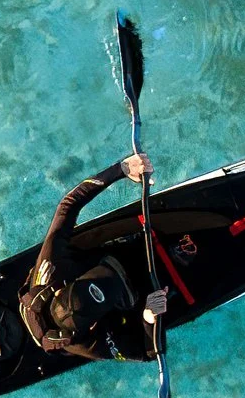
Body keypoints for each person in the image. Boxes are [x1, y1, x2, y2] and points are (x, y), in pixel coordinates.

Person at [19, 153, 169, 362]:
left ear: (62, 288)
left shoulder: (51, 269)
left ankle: (110, 264)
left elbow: (67, 205)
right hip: (135, 298)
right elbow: (147, 353)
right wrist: (149, 318)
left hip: (79, 266)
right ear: (92, 325)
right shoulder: (85, 343)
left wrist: (122, 169)